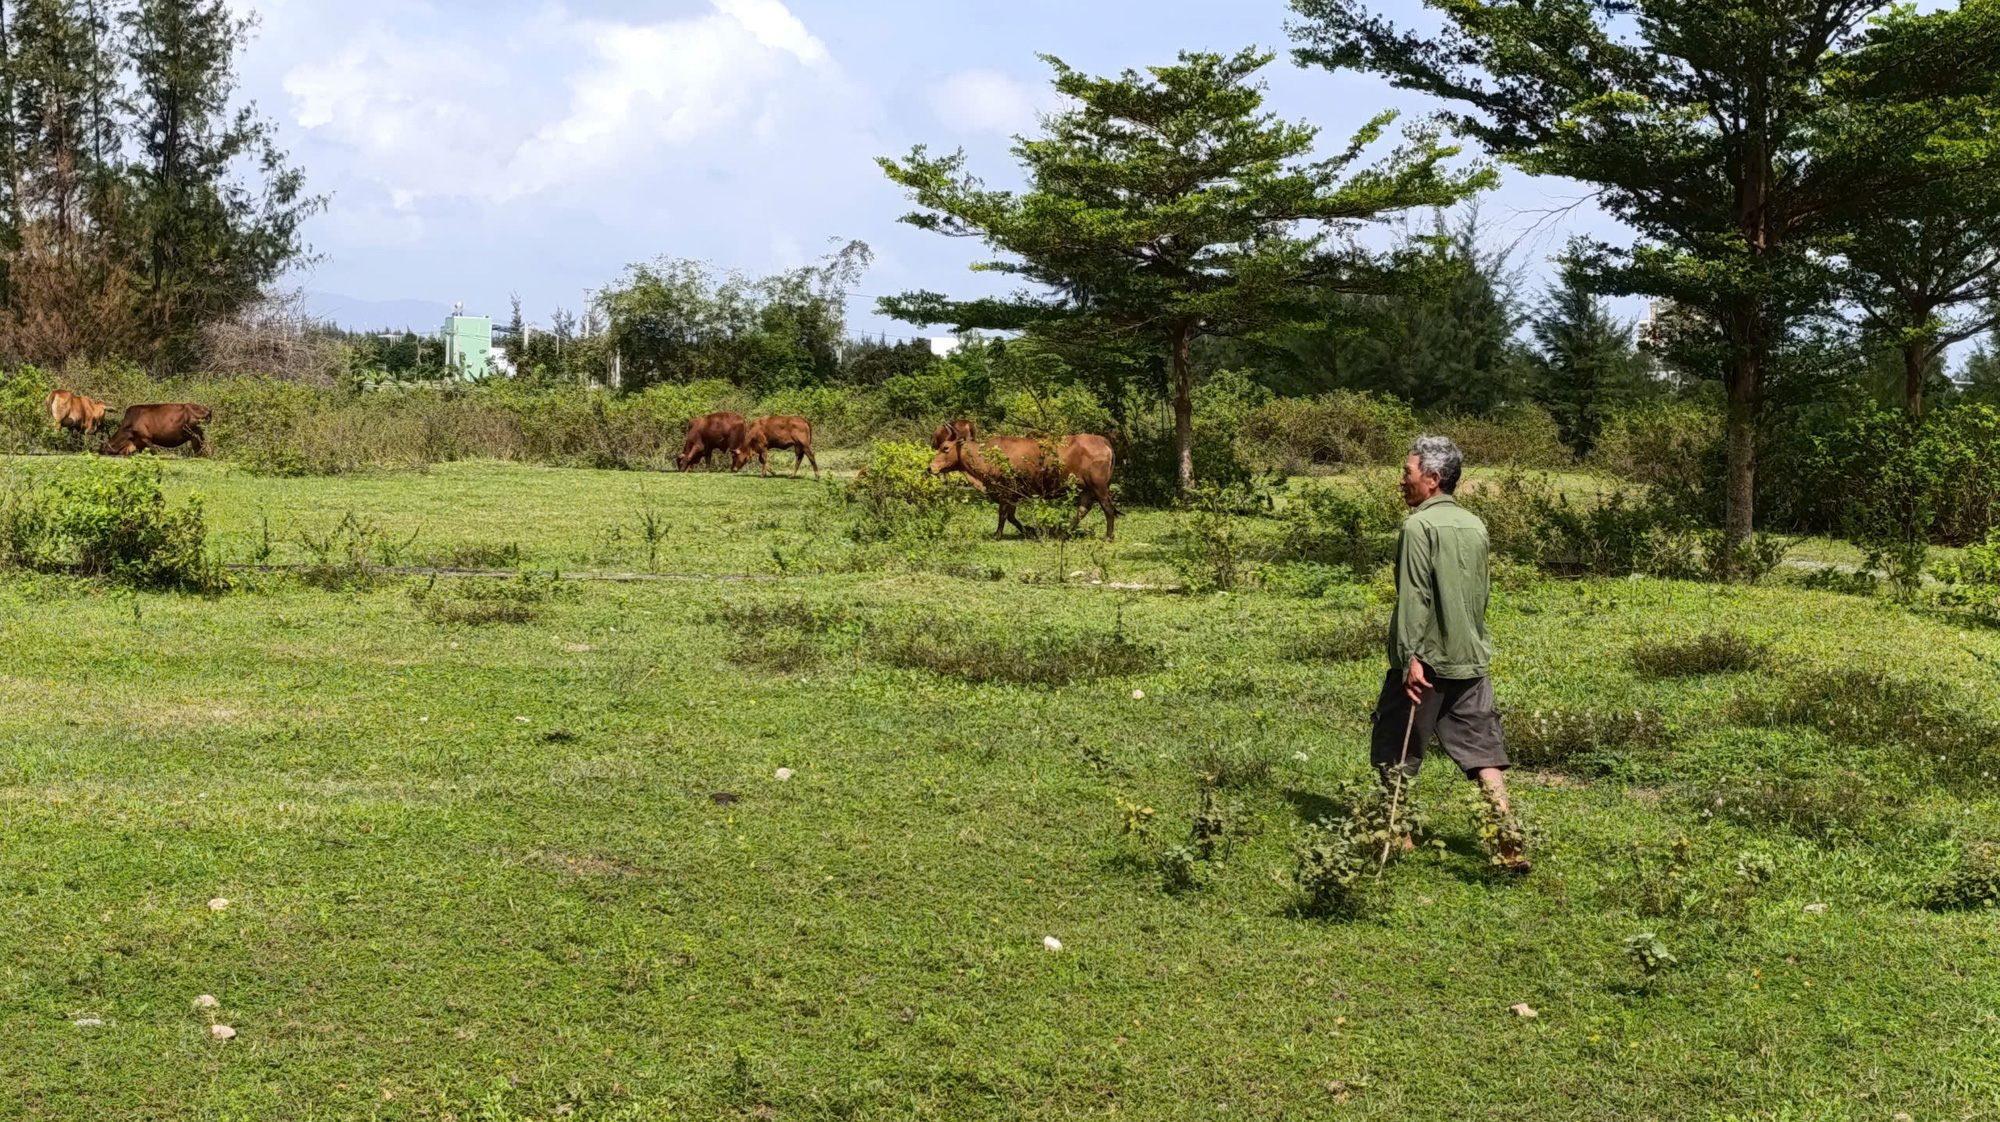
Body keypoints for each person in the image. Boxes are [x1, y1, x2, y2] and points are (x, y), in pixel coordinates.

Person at [1372, 435, 1529, 874]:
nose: (1401, 480)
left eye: (1407, 472)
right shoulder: (1475, 525)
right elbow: (1480, 595)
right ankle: (1507, 840)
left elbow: (1414, 598)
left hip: (1425, 663)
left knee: (1395, 749)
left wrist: (1409, 658)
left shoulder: (1417, 527)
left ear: (1433, 478)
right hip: (1470, 658)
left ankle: (1397, 836)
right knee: (1484, 754)